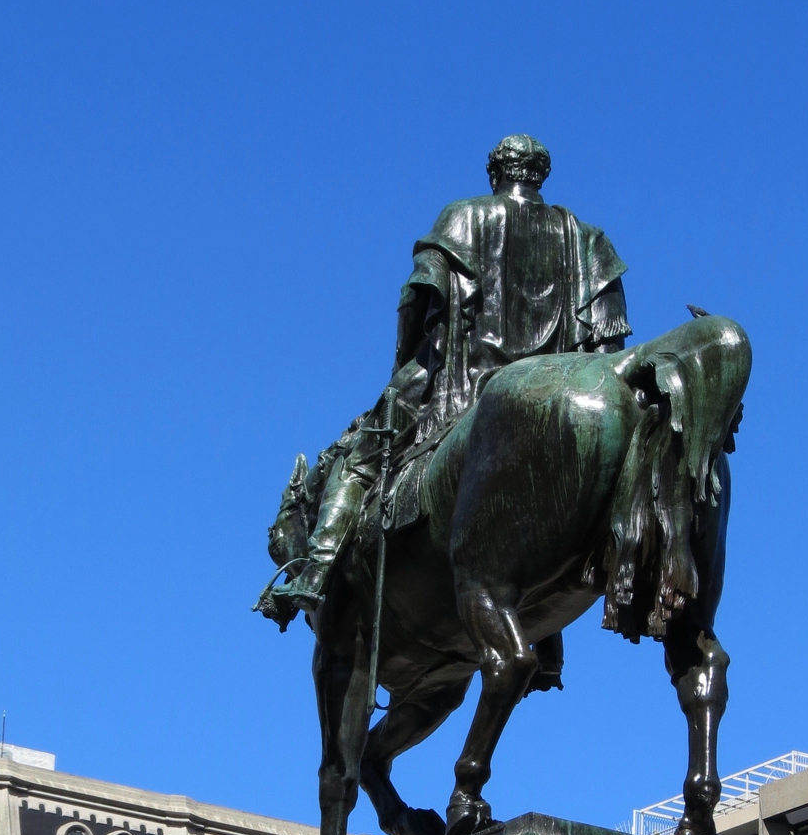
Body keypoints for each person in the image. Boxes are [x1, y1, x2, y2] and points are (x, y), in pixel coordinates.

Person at [260, 135, 630, 624]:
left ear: (494, 172)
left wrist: (407, 363)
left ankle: (315, 569)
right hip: (560, 393)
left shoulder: (463, 217)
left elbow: (419, 295)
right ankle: (547, 642)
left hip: (466, 378)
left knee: (360, 457)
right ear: (540, 174)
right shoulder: (588, 240)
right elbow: (609, 339)